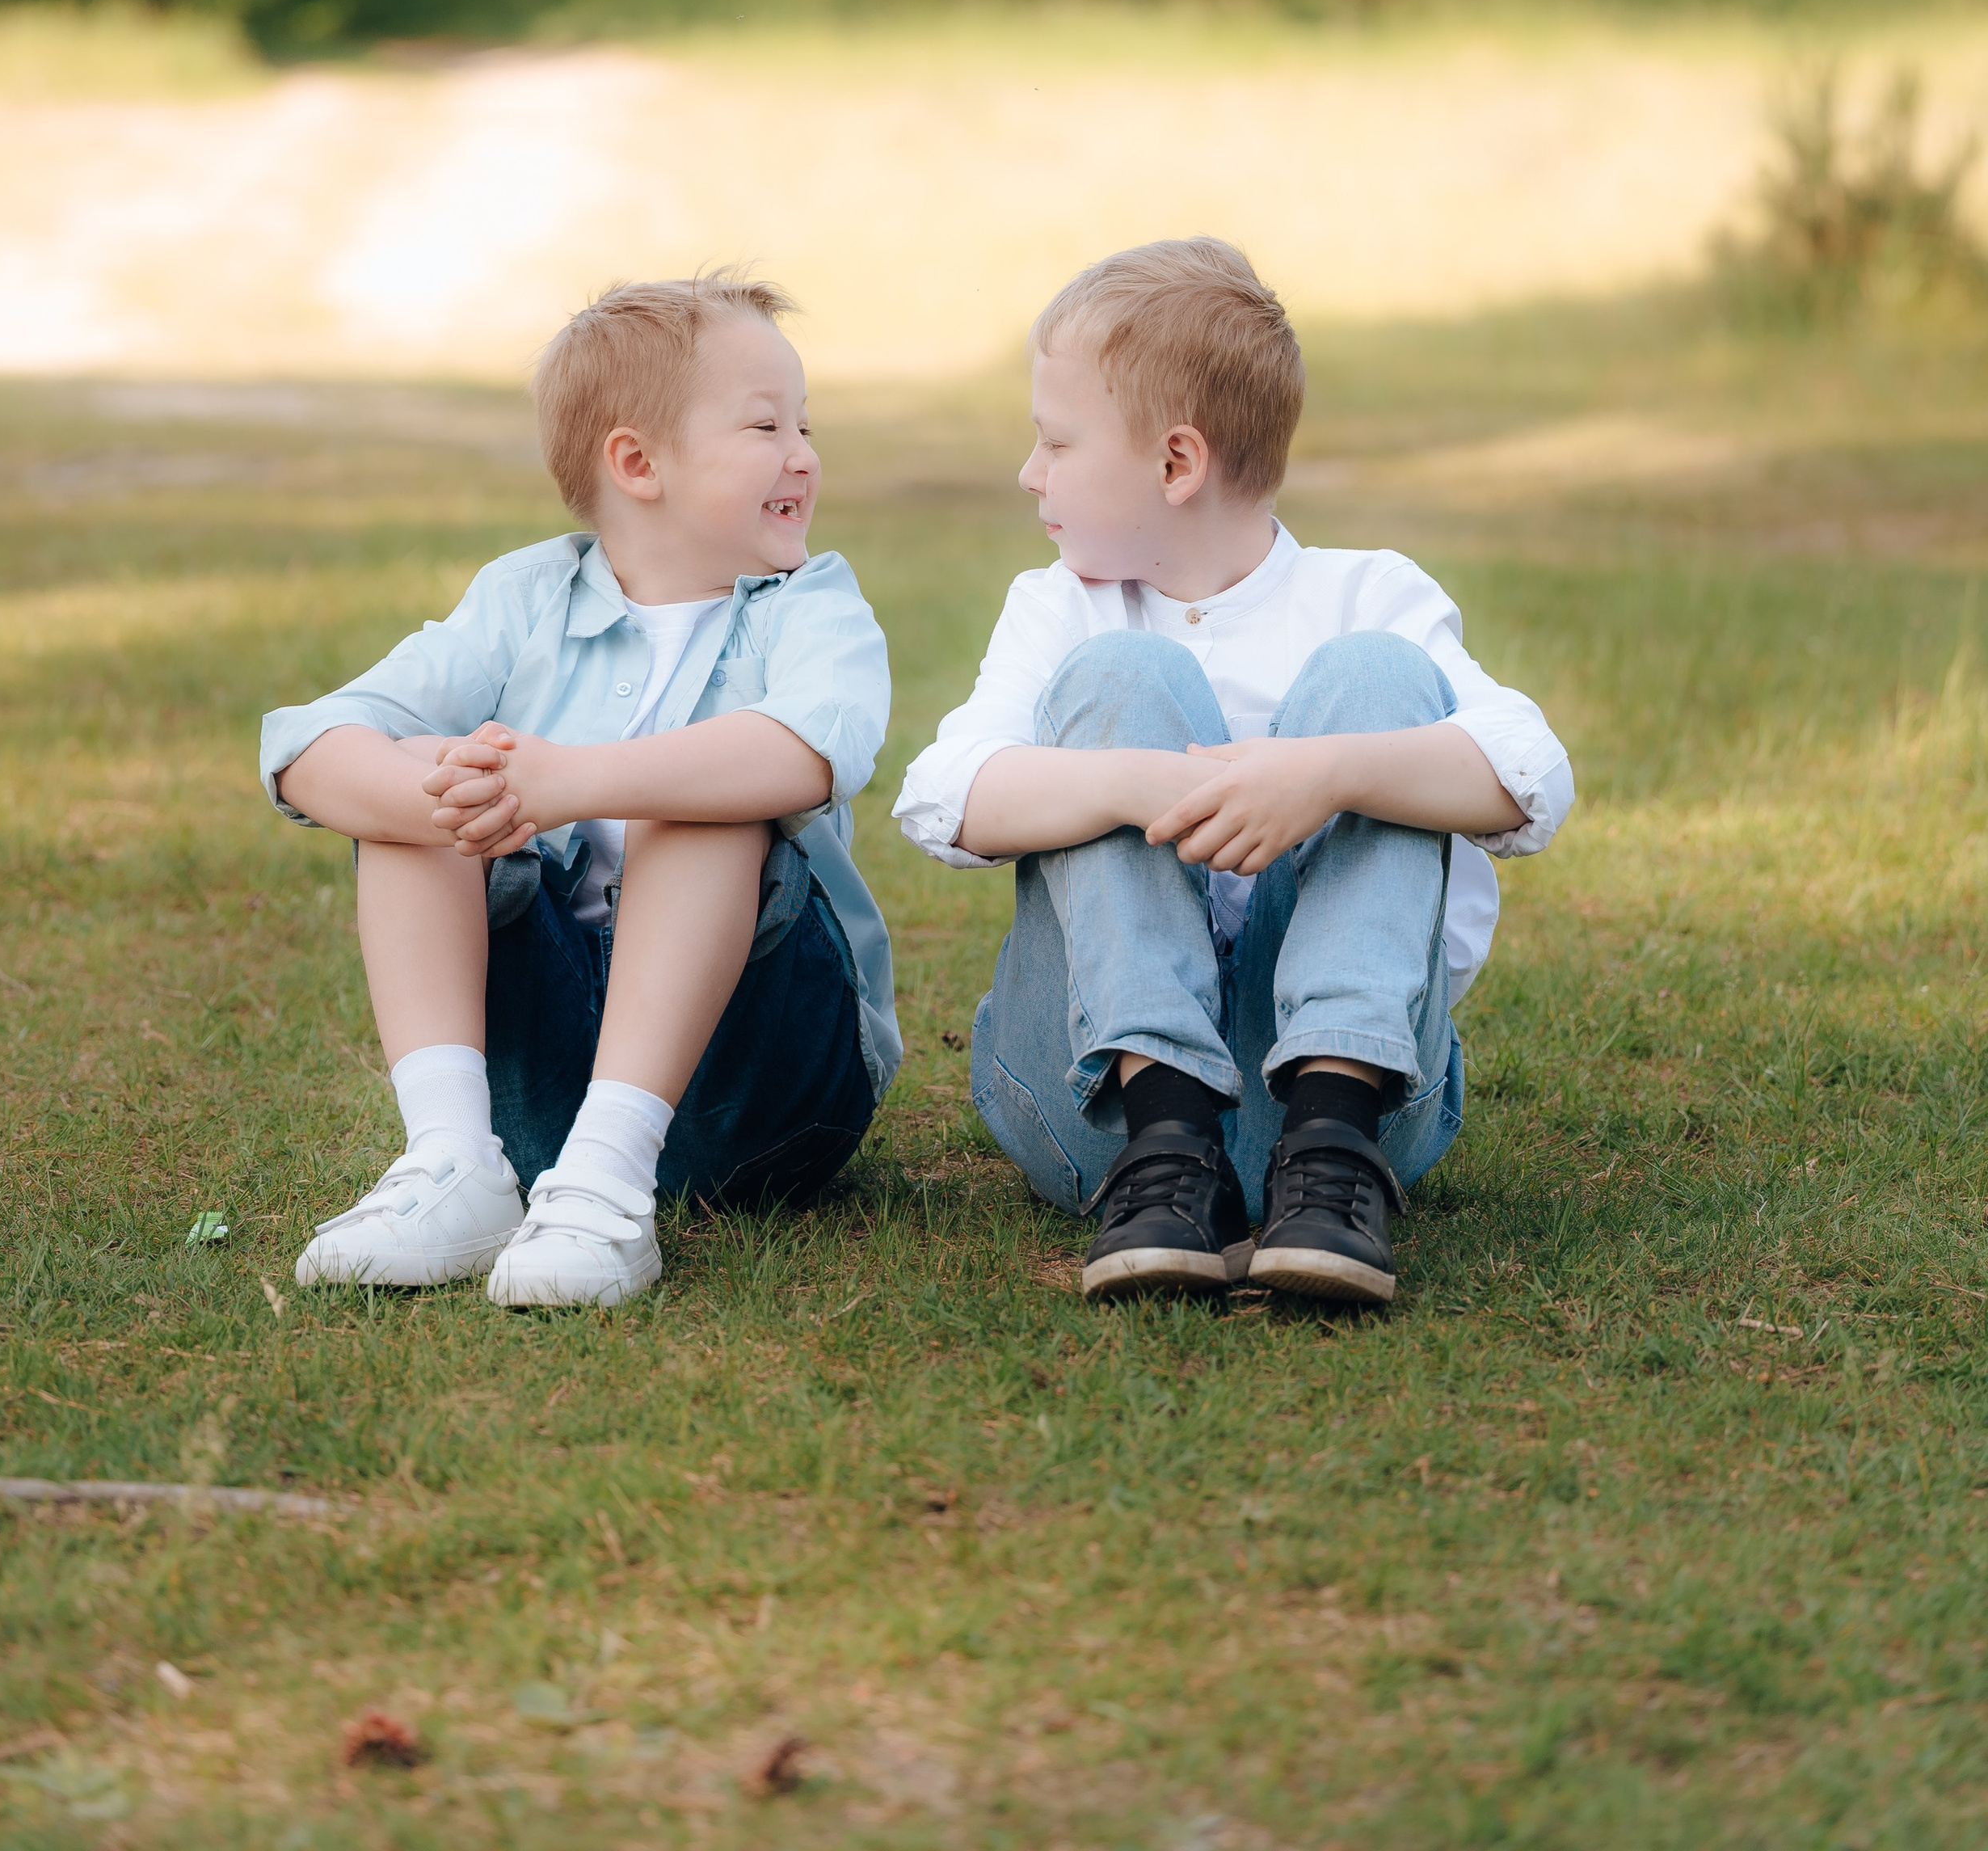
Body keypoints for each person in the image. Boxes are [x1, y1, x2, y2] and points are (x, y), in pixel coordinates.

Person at [893, 237, 1572, 1307]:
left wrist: (1329, 774)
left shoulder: (1367, 596)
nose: (1030, 473)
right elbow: (943, 796)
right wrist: (1129, 784)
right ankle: (1169, 1138)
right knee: (1121, 675)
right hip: (1101, 1110)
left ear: (1176, 464)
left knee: (1379, 683)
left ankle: (1331, 1137)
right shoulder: (1063, 609)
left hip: (1356, 1115)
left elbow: (1530, 777)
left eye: (1055, 442)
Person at [261, 273, 898, 1309]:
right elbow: (306, 743)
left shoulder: (808, 605)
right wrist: (447, 791)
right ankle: (454, 1161)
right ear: (637, 463)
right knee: (421, 786)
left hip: (763, 1087)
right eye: (764, 426)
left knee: (703, 794)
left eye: (805, 425)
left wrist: (567, 779)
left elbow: (804, 754)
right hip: (547, 1086)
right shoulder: (524, 599)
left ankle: (610, 1177)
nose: (804, 454)